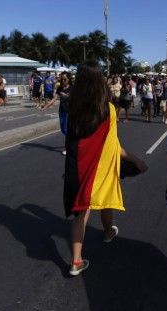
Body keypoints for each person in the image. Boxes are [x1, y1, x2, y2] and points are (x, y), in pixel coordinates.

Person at [63, 65, 148, 276]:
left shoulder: (72, 111)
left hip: (79, 171)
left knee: (81, 214)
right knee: (105, 197)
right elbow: (114, 145)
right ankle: (108, 231)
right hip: (101, 169)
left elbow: (71, 146)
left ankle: (76, 261)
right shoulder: (108, 110)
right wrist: (136, 160)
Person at [44, 71, 72, 155]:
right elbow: (54, 98)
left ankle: (66, 147)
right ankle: (72, 140)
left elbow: (72, 96)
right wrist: (47, 105)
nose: (62, 81)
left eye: (64, 79)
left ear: (68, 79)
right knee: (63, 130)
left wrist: (66, 95)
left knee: (66, 130)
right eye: (61, 79)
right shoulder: (60, 87)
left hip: (69, 111)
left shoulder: (72, 87)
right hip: (61, 110)